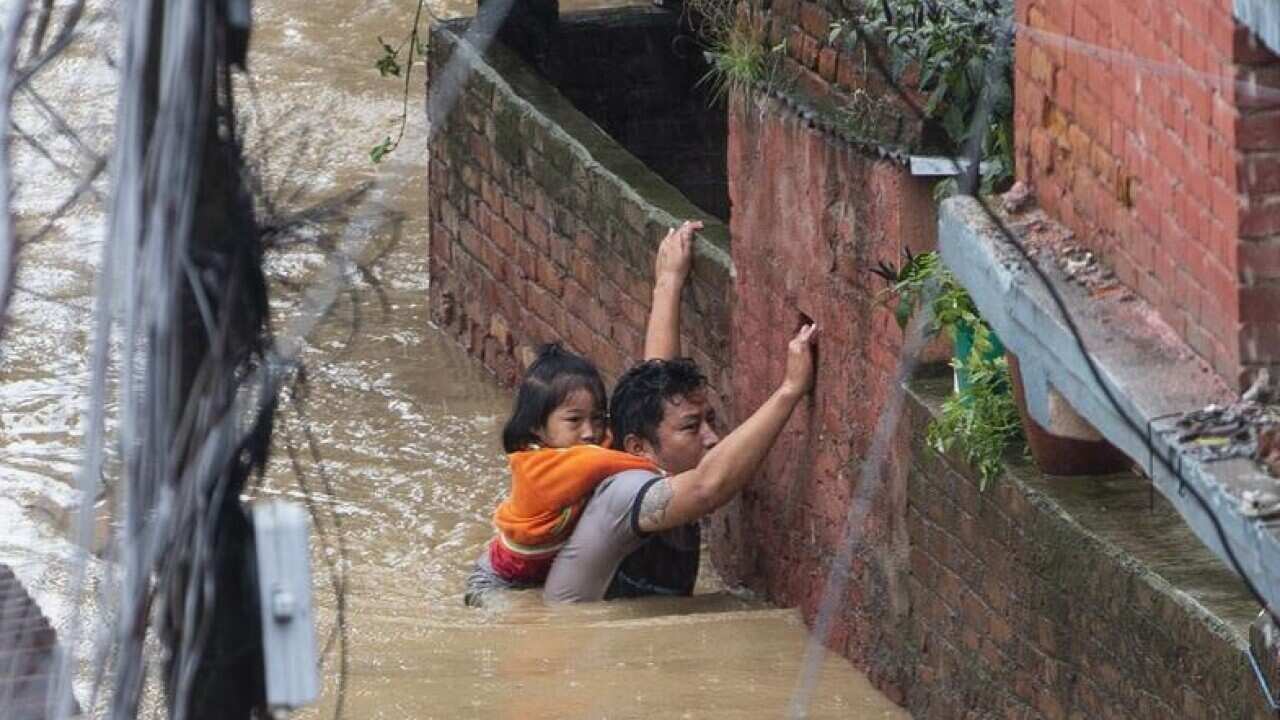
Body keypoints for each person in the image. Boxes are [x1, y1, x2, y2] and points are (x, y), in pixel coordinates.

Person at [463, 220, 706, 606]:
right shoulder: (541, 467)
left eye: (598, 419)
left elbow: (657, 398)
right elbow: (619, 458)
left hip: (544, 564)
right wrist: (656, 465)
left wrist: (668, 284)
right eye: (574, 421)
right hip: (497, 583)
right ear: (536, 432)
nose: (591, 432)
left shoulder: (596, 442)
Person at [543, 323, 817, 602]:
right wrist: (790, 390)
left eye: (709, 420)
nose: (712, 439)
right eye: (691, 427)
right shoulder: (625, 492)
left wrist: (668, 283)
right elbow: (705, 488)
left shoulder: (655, 460)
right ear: (638, 448)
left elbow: (657, 386)